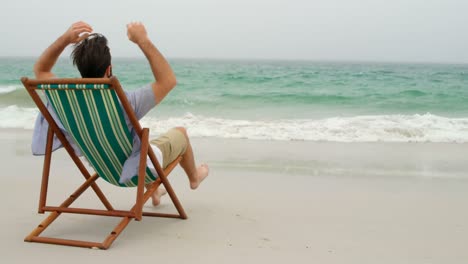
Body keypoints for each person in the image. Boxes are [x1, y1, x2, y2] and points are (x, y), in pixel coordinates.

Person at [31, 21, 209, 206]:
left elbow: (41, 70)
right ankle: (194, 178)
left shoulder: (63, 97)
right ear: (108, 69)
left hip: (103, 168)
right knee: (180, 133)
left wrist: (65, 39)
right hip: (134, 173)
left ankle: (154, 191)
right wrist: (142, 41)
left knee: (130, 147)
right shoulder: (126, 102)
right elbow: (168, 80)